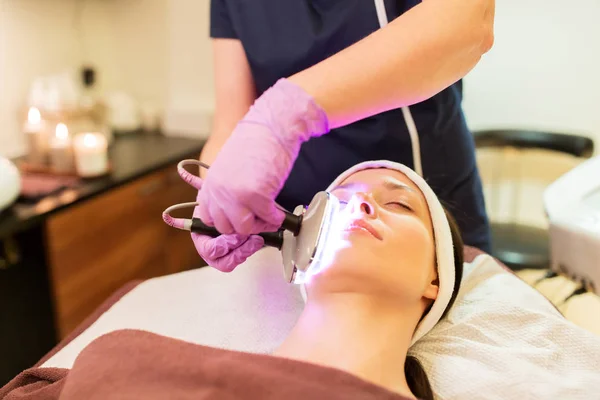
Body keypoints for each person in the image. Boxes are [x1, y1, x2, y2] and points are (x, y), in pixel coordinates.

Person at [0, 162, 464, 400]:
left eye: (399, 206)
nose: (360, 206)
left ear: (434, 279)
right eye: (339, 200)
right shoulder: (128, 360)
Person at [192, 0, 495, 272]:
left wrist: (288, 111)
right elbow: (228, 127)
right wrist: (214, 204)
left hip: (415, 223)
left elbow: (466, 25)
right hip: (293, 238)